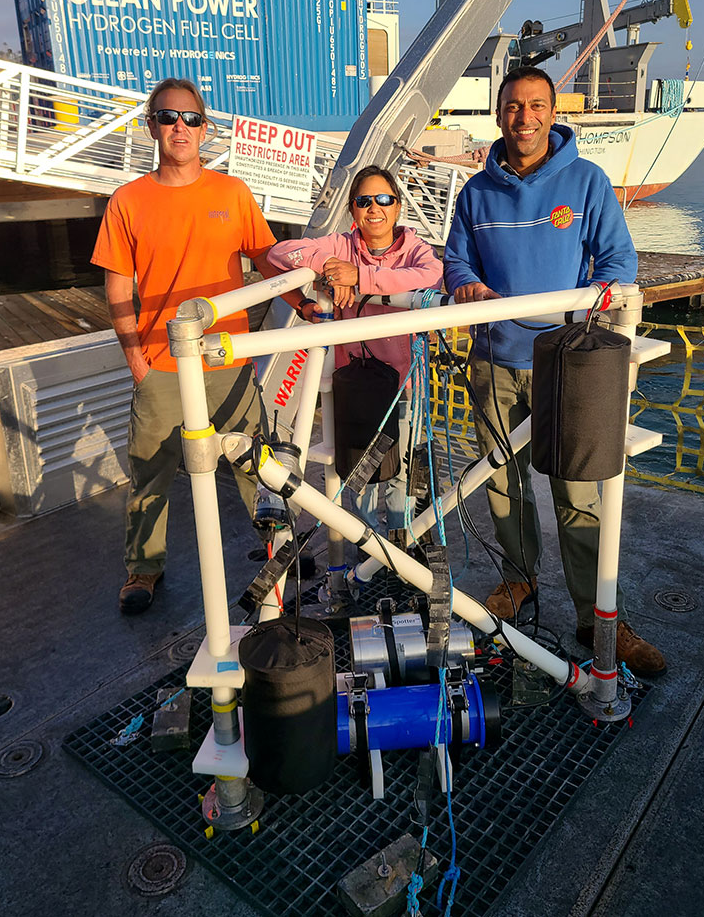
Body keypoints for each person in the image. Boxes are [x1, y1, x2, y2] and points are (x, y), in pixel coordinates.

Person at [443, 66, 665, 676]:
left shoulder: (586, 182)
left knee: (577, 488)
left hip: (566, 363)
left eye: (536, 105)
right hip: (494, 360)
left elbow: (619, 260)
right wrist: (466, 288)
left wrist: (593, 299)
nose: (525, 117)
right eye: (514, 106)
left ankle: (599, 615)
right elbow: (456, 262)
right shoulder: (475, 193)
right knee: (499, 479)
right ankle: (520, 582)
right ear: (499, 114)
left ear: (552, 112)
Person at [92, 77, 306, 614]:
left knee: (255, 464)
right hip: (161, 364)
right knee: (150, 471)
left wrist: (315, 301)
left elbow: (268, 258)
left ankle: (279, 550)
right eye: (167, 117)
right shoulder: (127, 201)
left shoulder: (231, 193)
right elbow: (118, 286)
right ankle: (144, 569)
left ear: (205, 128)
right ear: (152, 127)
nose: (179, 127)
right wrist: (136, 361)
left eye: (189, 118)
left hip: (227, 357)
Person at [266, 165, 443, 544]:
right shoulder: (340, 245)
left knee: (400, 473)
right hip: (357, 384)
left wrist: (360, 278)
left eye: (384, 200)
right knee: (359, 475)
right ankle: (369, 553)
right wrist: (331, 271)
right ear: (352, 210)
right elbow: (281, 253)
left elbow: (429, 277)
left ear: (397, 208)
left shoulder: (416, 248)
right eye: (365, 201)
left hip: (404, 385)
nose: (374, 208)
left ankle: (399, 552)